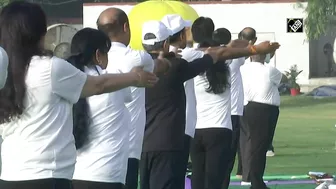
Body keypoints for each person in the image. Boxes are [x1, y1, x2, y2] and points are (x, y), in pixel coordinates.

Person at [0, 2, 157, 189]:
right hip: (47, 174)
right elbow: (99, 84)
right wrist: (134, 77)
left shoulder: (5, 68)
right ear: (39, 33)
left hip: (10, 174)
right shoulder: (49, 67)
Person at [96, 8, 171, 189]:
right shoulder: (137, 57)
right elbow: (162, 66)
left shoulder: (91, 59)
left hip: (92, 149)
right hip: (126, 149)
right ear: (125, 27)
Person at [67, 28, 128, 189]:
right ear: (98, 55)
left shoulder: (66, 83)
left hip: (72, 174)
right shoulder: (114, 79)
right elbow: (128, 95)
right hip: (107, 174)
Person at [212, 28, 249, 189]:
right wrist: (234, 43)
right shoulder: (234, 58)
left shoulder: (209, 56)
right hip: (232, 111)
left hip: (213, 113)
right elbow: (247, 46)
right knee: (228, 156)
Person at [240, 53, 281, 189]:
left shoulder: (243, 68)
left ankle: (255, 179)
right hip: (264, 110)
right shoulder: (269, 70)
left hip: (249, 107)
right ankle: (256, 182)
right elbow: (280, 79)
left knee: (255, 145)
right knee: (259, 147)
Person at [161, 14, 195, 176]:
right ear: (181, 35)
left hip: (157, 128)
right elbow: (217, 52)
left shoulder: (154, 59)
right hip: (181, 125)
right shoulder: (186, 56)